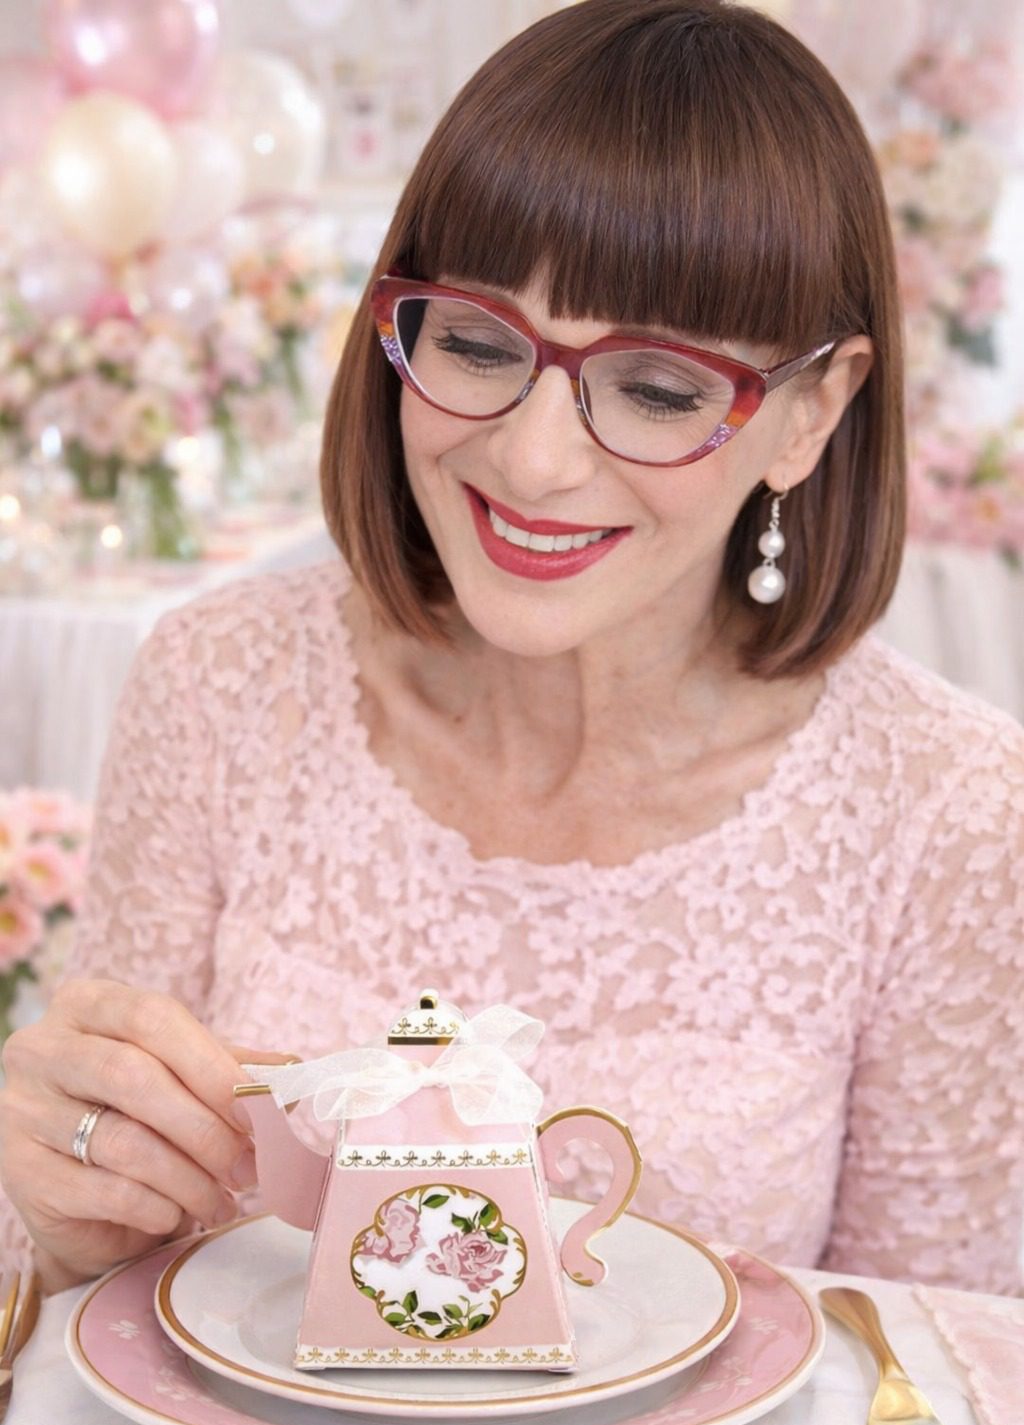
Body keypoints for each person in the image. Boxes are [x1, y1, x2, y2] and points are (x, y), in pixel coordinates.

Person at [1, 0, 1022, 1299]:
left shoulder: (950, 810)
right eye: (477, 346)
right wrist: (69, 1223)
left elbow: (935, 1369)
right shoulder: (220, 684)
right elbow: (81, 1285)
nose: (534, 461)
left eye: (656, 388)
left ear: (810, 414)